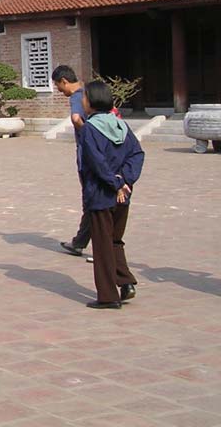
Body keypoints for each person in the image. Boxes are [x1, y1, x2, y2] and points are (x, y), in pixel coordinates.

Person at [78, 80, 144, 309]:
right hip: (123, 195)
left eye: (84, 97)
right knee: (115, 240)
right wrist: (126, 180)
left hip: (102, 193)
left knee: (103, 244)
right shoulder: (121, 126)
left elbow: (96, 162)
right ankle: (126, 283)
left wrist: (115, 182)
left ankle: (108, 296)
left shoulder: (90, 129)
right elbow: (137, 154)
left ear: (92, 100)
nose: (82, 102)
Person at [52, 65, 90, 258]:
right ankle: (79, 242)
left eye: (58, 86)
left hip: (88, 155)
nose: (59, 90)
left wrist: (88, 136)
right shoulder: (89, 93)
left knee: (92, 201)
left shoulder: (76, 97)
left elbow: (76, 118)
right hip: (102, 153)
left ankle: (103, 249)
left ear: (64, 81)